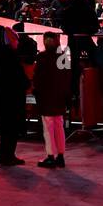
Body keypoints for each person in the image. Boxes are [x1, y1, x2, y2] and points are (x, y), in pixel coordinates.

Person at [0, 27, 29, 166]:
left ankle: (4, 154)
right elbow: (17, 77)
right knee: (11, 129)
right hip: (12, 97)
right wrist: (25, 83)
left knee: (8, 128)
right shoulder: (10, 56)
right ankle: (6, 155)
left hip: (5, 97)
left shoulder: (2, 54)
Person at [32, 32, 70, 167]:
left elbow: (38, 79)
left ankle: (50, 156)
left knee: (48, 127)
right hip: (60, 97)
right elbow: (68, 78)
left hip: (46, 97)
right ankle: (60, 155)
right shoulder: (63, 57)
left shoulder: (42, 57)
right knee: (59, 125)